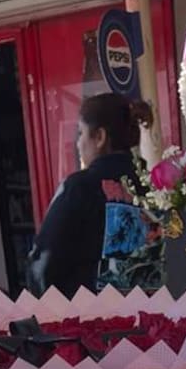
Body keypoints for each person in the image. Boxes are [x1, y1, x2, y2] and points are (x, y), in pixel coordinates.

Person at [28, 94, 157, 296]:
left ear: (99, 137)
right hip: (152, 316)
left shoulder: (79, 187)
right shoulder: (153, 187)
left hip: (90, 319)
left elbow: (43, 266)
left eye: (81, 133)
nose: (78, 144)